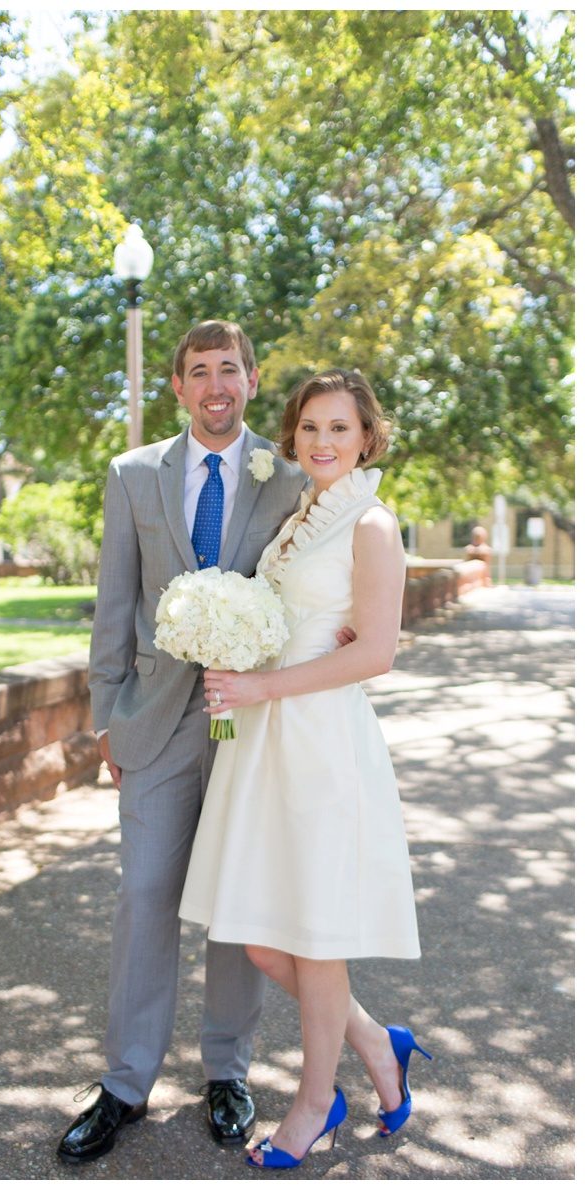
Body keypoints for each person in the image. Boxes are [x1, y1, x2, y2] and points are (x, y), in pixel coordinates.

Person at [56, 320, 313, 1164]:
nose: (215, 386)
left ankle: (228, 1071)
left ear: (249, 378)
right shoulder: (134, 475)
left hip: (252, 724)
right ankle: (126, 1084)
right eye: (198, 372)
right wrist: (106, 714)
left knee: (236, 901)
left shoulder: (289, 474)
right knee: (145, 898)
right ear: (177, 387)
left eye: (228, 370)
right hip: (155, 722)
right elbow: (113, 600)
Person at [180, 368, 432, 1170]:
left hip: (321, 744)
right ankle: (375, 1042)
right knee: (262, 939)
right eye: (311, 428)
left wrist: (262, 683)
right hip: (262, 739)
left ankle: (316, 1101)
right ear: (294, 437)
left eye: (341, 428)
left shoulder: (372, 524)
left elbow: (380, 653)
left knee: (316, 939)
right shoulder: (302, 517)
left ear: (367, 438)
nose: (324, 441)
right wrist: (233, 661)